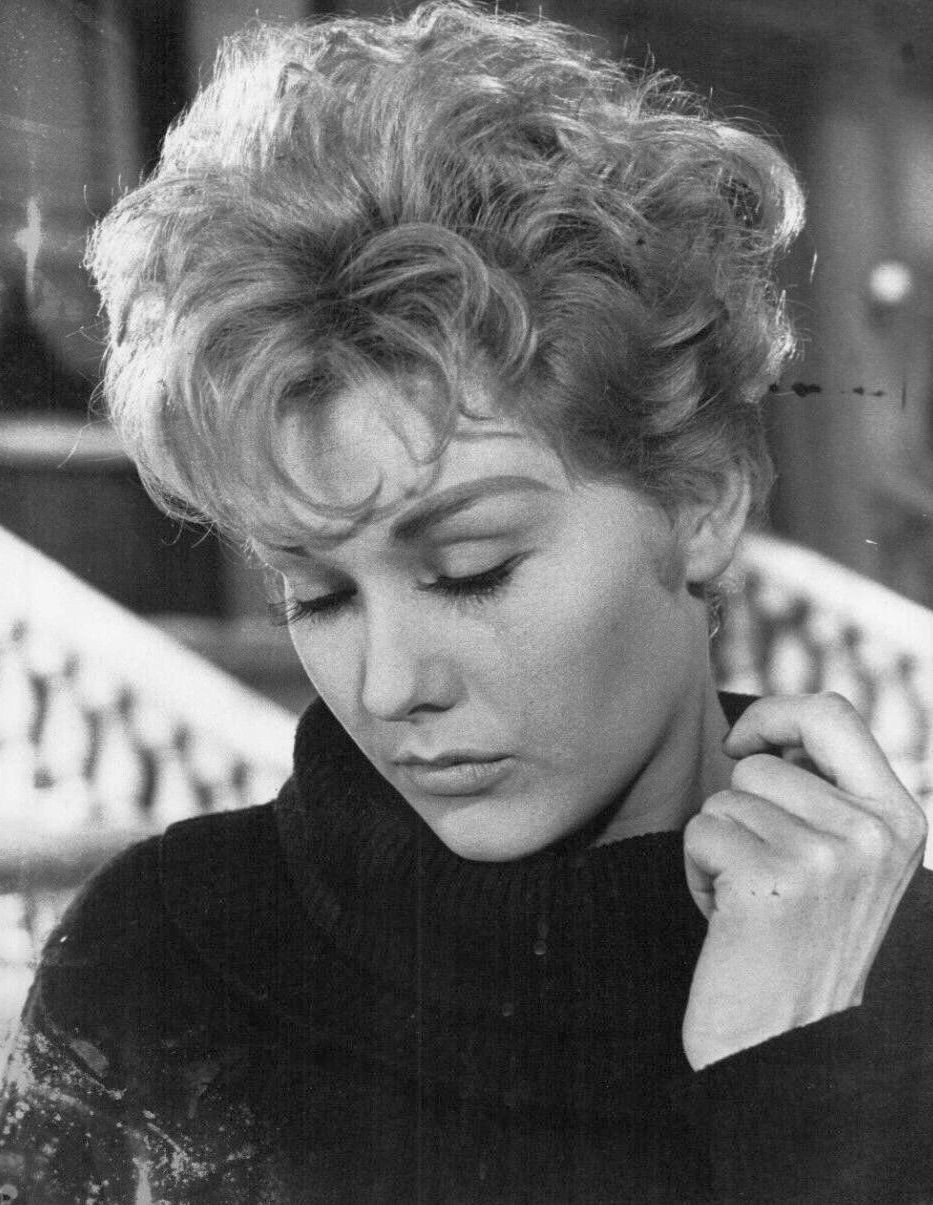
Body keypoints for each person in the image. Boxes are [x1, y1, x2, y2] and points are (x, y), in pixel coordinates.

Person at [2, 2, 931, 1201]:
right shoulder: (160, 961)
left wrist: (791, 1086)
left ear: (701, 501)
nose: (393, 686)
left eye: (472, 568)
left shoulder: (915, 993)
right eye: (316, 591)